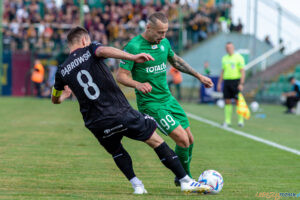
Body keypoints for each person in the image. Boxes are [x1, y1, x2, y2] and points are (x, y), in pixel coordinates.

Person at [51, 26, 210, 195]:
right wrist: (132, 56)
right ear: (84, 40)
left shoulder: (61, 70)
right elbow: (104, 50)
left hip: (95, 122)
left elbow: (55, 98)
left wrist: (64, 96)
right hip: (120, 112)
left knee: (117, 152)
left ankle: (137, 186)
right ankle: (185, 181)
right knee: (156, 141)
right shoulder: (90, 49)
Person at [116, 12, 213, 186]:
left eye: (165, 32)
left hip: (168, 99)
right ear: (148, 28)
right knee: (182, 139)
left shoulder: (164, 43)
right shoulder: (134, 46)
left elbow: (176, 61)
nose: (163, 36)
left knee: (190, 140)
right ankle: (187, 180)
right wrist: (137, 84)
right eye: (160, 32)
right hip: (151, 104)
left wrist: (199, 76)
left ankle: (181, 178)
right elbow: (121, 76)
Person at [217, 42, 245, 127]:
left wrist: (241, 83)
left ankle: (240, 121)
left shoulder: (239, 58)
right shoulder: (224, 58)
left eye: (230, 47)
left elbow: (242, 71)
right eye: (227, 48)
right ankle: (227, 121)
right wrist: (219, 83)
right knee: (227, 101)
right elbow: (222, 71)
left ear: (233, 48)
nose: (228, 49)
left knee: (238, 101)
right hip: (227, 81)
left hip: (236, 81)